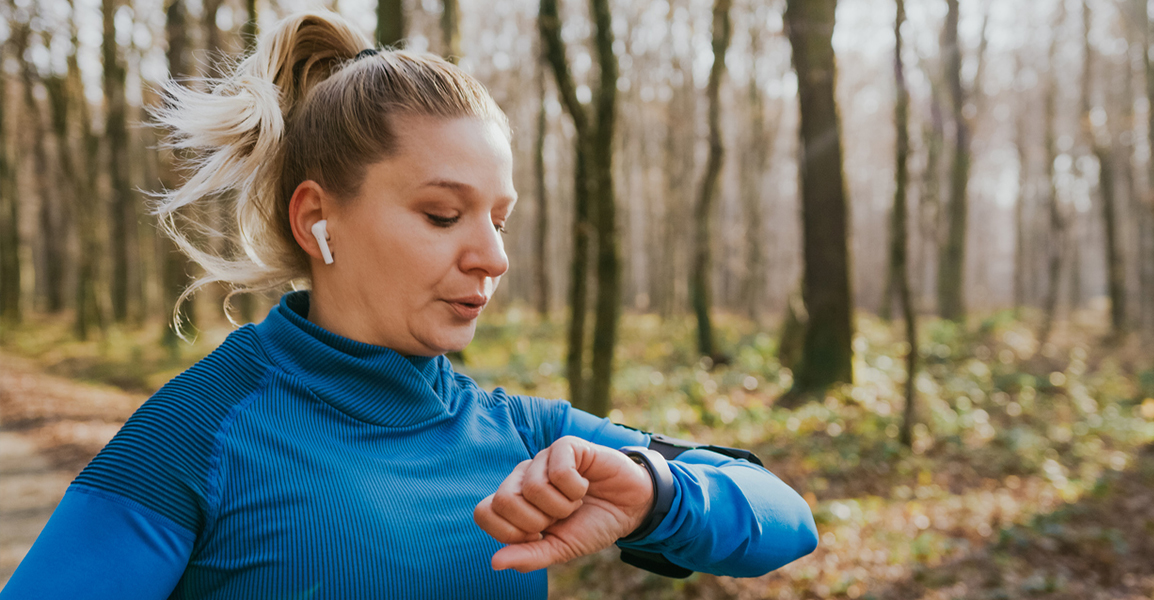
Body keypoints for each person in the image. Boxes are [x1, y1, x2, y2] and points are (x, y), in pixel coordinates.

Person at [0, 12, 817, 599]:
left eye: (500, 220)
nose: (492, 257)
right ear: (318, 219)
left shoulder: (523, 438)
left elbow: (785, 519)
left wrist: (654, 490)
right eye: (441, 214)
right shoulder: (197, 434)